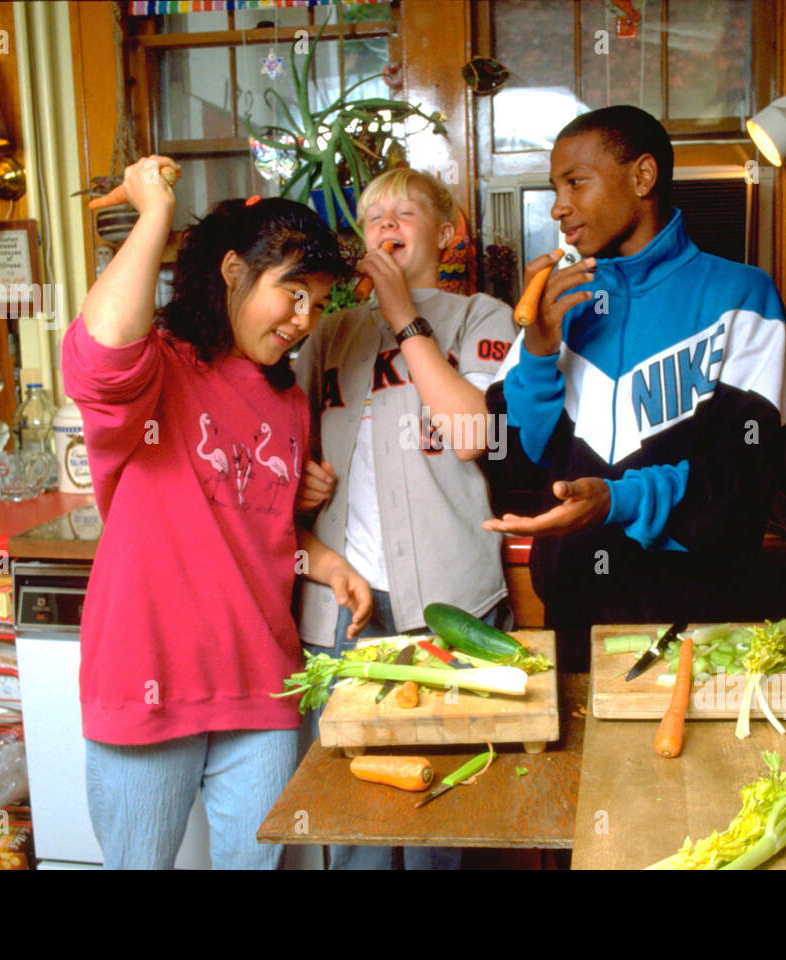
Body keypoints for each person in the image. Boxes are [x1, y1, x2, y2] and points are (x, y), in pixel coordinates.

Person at [62, 156, 372, 869]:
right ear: (233, 270)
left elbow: (256, 526)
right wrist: (153, 218)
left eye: (318, 305)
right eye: (293, 294)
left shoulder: (288, 401)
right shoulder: (160, 369)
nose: (304, 321)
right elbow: (100, 356)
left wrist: (324, 563)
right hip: (150, 680)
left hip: (262, 686)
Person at [484, 105, 786, 672]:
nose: (558, 206)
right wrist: (538, 351)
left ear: (643, 177)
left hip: (700, 624)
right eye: (556, 187)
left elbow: (743, 481)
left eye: (576, 182)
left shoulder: (743, 297)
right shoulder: (560, 304)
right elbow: (517, 469)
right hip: (574, 616)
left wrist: (615, 500)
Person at [293, 167, 518, 869]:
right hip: (341, 607)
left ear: (447, 233)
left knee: (439, 824)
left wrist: (401, 315)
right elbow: (278, 452)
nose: (386, 227)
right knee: (355, 819)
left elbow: (474, 435)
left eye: (406, 214)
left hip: (449, 602)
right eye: (374, 217)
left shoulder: (482, 316)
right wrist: (299, 482)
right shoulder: (327, 335)